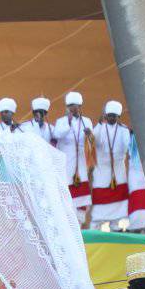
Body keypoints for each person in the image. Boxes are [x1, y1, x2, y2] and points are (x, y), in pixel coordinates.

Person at [53, 91, 96, 226]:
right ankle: (68, 223)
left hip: (81, 165)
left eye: (75, 105)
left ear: (80, 106)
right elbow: (57, 134)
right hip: (66, 165)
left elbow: (92, 142)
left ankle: (79, 223)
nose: (73, 108)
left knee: (81, 199)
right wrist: (69, 123)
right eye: (70, 105)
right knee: (66, 196)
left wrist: (89, 135)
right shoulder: (62, 122)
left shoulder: (86, 121)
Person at [90, 101, 132, 225]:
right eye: (109, 115)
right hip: (102, 169)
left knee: (119, 200)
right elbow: (93, 140)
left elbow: (127, 145)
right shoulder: (100, 128)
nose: (111, 118)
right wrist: (93, 129)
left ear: (118, 117)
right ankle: (96, 223)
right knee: (100, 198)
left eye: (114, 116)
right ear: (105, 116)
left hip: (118, 168)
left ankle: (117, 225)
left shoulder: (124, 130)